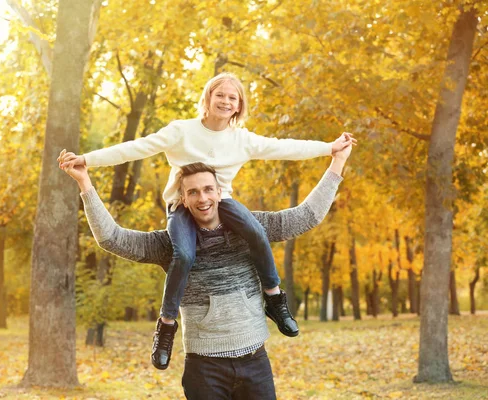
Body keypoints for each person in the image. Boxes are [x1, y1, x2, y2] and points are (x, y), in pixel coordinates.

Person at [59, 72, 356, 369]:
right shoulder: (181, 131)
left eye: (232, 97)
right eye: (220, 95)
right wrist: (87, 160)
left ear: (239, 105)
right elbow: (134, 149)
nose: (226, 101)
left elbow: (286, 148)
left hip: (223, 202)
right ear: (208, 99)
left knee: (255, 230)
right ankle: (166, 325)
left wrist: (330, 149)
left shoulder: (242, 140)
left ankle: (275, 300)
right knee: (184, 253)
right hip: (181, 206)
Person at [61, 142, 351, 399]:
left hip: (255, 362)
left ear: (220, 192)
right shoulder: (171, 243)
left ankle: (277, 304)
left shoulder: (250, 228)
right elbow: (112, 238)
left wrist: (337, 163)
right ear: (183, 200)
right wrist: (85, 183)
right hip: (204, 368)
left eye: (208, 189)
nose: (203, 198)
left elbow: (306, 216)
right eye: (194, 192)